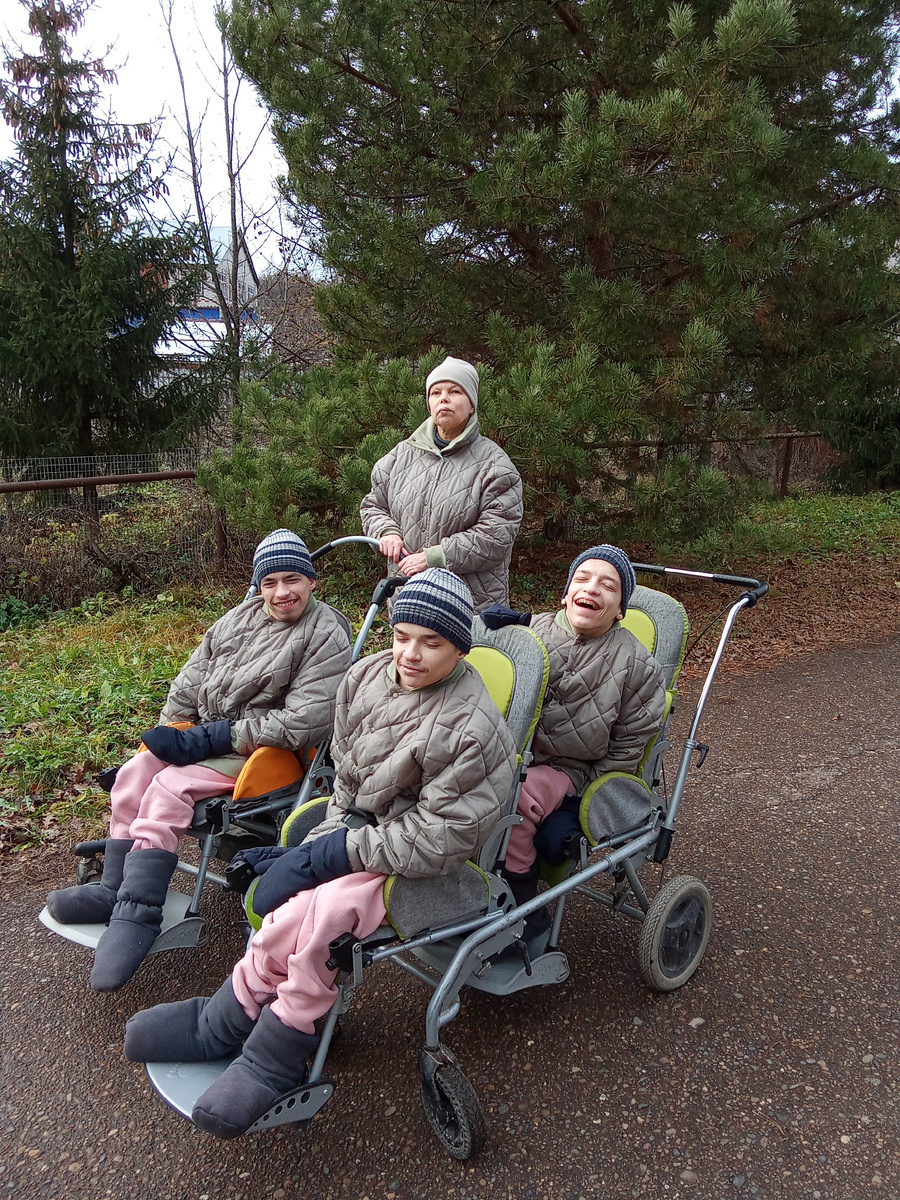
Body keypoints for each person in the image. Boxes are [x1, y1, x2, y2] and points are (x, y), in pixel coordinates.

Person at [122, 569, 517, 1140]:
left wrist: (336, 854)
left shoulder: (471, 727)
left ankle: (282, 1046)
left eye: (432, 643)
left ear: (459, 646)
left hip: (427, 861)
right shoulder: (364, 679)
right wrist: (313, 847)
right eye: (402, 635)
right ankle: (227, 1016)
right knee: (288, 905)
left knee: (327, 912)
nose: (411, 653)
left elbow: (442, 837)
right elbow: (349, 789)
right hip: (365, 835)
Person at [45, 529, 352, 992]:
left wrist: (222, 735)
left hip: (262, 752)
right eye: (270, 582)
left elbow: (307, 720)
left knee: (168, 791)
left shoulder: (325, 632)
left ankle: (139, 912)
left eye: (293, 579)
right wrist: (173, 731)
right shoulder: (238, 618)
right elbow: (191, 678)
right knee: (134, 774)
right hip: (206, 741)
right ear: (258, 586)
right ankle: (113, 889)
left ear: (312, 581)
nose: (281, 592)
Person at [484, 545, 667, 923]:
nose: (593, 588)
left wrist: (587, 801)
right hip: (511, 752)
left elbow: (629, 743)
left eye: (608, 586)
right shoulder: (530, 634)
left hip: (570, 769)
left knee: (512, 798)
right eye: (582, 579)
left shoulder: (637, 665)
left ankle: (519, 904)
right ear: (566, 594)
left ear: (620, 609)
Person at [360, 355, 523, 611]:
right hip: (409, 599)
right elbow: (373, 505)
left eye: (455, 391)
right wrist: (386, 532)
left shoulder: (496, 465)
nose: (443, 398)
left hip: (470, 607)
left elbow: (496, 537)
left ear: (472, 405)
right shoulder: (399, 456)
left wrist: (434, 558)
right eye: (435, 392)